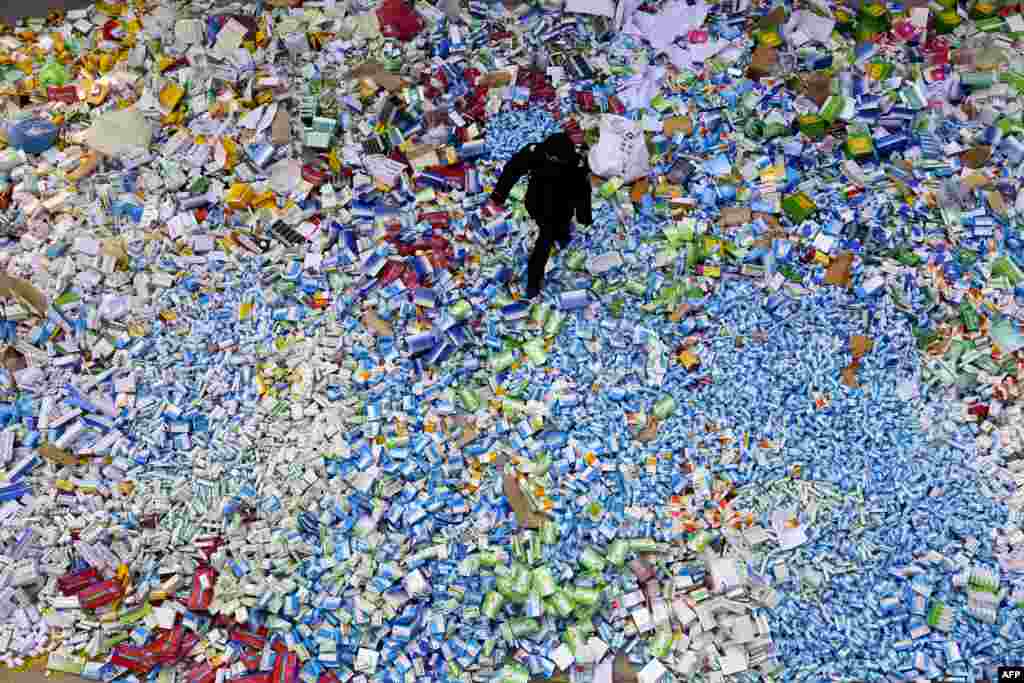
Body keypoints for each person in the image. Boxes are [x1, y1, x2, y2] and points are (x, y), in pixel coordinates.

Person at [488, 132, 593, 299]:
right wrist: (498, 197)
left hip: (560, 206)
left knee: (559, 230)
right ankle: (533, 283)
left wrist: (583, 216)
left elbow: (583, 190)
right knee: (544, 243)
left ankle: (562, 236)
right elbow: (512, 170)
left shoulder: (573, 161)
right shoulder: (538, 152)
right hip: (540, 205)